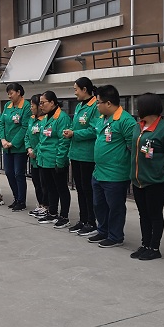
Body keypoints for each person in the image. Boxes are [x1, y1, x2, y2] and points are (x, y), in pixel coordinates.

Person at [130, 93, 164, 260]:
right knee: (143, 214)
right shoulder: (138, 127)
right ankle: (145, 244)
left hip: (154, 180)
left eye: (139, 107)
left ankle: (154, 247)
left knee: (154, 214)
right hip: (138, 179)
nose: (137, 110)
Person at [87, 85, 137, 248]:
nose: (96, 105)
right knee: (98, 204)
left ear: (108, 103)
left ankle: (115, 236)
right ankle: (103, 230)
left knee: (115, 206)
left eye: (98, 102)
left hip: (115, 173)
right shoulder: (102, 118)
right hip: (99, 171)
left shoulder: (125, 121)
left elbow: (133, 148)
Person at [62, 77, 99, 235]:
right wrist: (70, 131)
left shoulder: (95, 106)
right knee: (80, 189)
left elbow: (94, 130)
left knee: (87, 189)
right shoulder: (79, 106)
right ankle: (83, 219)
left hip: (87, 155)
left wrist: (74, 134)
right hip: (76, 154)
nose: (75, 92)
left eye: (76, 89)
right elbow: (75, 125)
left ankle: (91, 221)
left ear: (85, 89)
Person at [35, 91, 71, 227]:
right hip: (44, 160)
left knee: (61, 188)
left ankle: (64, 216)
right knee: (49, 188)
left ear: (52, 102)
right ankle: (52, 212)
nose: (41, 106)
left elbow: (64, 141)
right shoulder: (46, 118)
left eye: (43, 103)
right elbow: (42, 139)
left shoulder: (62, 118)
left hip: (56, 160)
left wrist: (60, 161)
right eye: (40, 103)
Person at [0, 82, 29, 211]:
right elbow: (1, 123)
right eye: (8, 93)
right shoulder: (7, 105)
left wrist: (13, 142)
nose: (9, 96)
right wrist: (3, 139)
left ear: (18, 92)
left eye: (11, 93)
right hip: (6, 147)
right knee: (9, 172)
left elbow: (25, 127)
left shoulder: (26, 106)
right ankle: (16, 197)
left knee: (18, 173)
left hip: (19, 148)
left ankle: (21, 201)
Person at [25, 94, 48, 217]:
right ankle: (40, 204)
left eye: (32, 105)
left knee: (44, 183)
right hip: (32, 157)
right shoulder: (31, 119)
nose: (31, 108)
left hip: (41, 157)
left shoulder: (45, 120)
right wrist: (29, 148)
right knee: (36, 183)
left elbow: (44, 139)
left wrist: (35, 151)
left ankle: (46, 206)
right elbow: (27, 136)